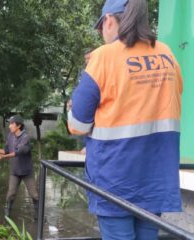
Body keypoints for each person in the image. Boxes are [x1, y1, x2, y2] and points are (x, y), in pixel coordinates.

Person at [68, 0, 182, 239]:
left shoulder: (104, 57)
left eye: (101, 27)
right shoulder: (167, 55)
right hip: (155, 179)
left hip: (115, 180)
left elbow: (77, 126)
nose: (101, 33)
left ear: (110, 20)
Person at [0, 115, 39, 219]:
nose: (10, 126)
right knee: (10, 194)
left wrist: (3, 157)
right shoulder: (10, 136)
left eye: (12, 124)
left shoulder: (25, 138)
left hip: (27, 172)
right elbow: (6, 151)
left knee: (34, 194)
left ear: (19, 125)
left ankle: (39, 216)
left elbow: (17, 152)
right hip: (15, 171)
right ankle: (7, 217)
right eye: (9, 123)